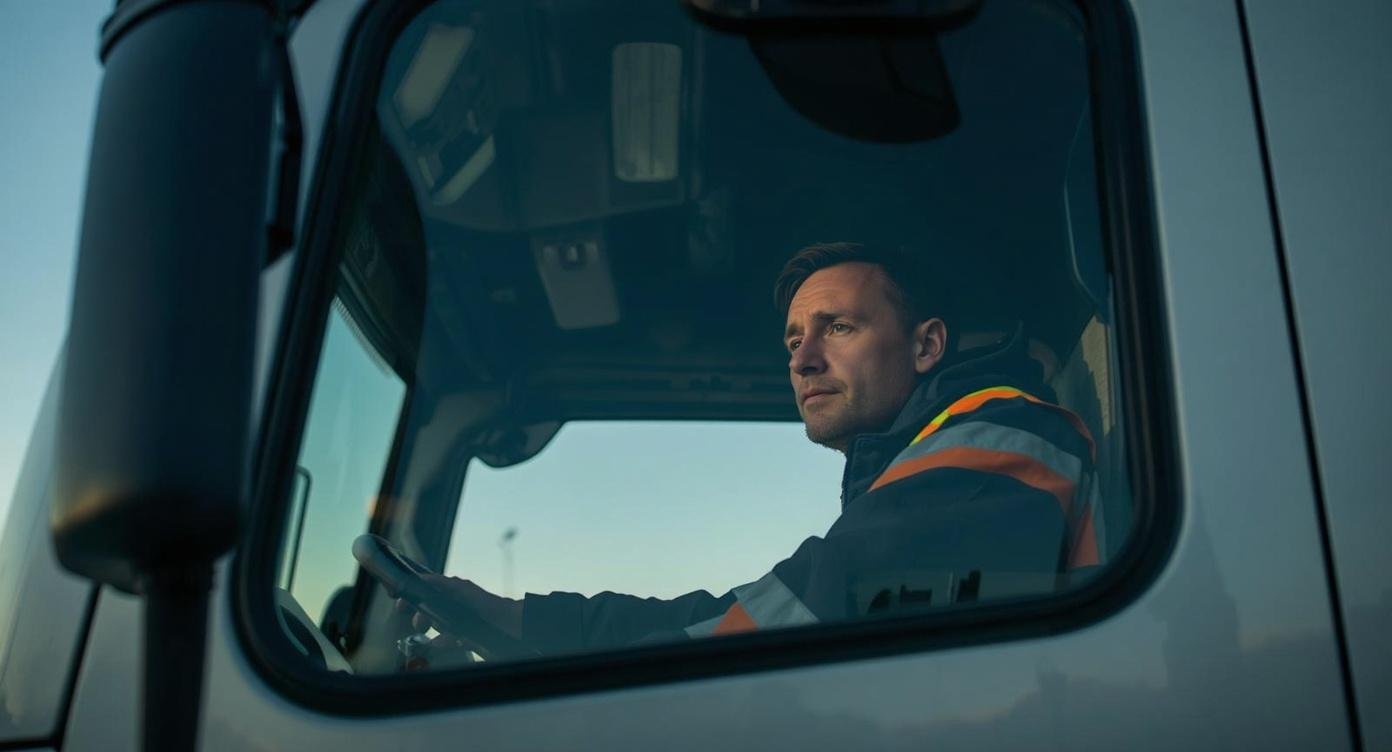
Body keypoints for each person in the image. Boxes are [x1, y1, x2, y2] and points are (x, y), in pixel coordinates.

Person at [408, 242, 1101, 655]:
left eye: (838, 328)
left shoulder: (998, 437)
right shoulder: (928, 466)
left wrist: (538, 654)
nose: (803, 361)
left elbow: (786, 627)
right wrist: (524, 620)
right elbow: (763, 610)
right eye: (795, 339)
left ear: (926, 346)